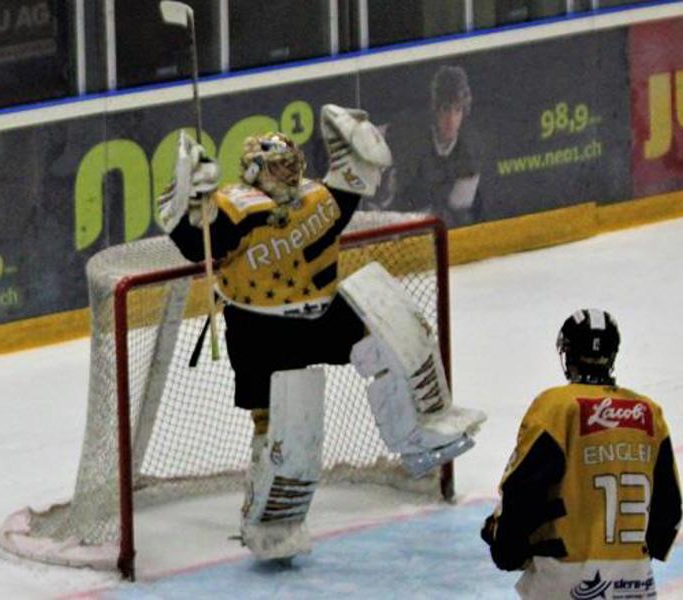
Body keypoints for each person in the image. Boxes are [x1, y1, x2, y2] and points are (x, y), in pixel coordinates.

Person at [157, 105, 485, 561]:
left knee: (389, 325)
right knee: (279, 431)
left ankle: (419, 428)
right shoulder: (231, 210)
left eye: (292, 165)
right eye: (278, 168)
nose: (288, 175)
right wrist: (189, 197)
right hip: (260, 331)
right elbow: (192, 239)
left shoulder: (315, 196)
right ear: (255, 173)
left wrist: (349, 130)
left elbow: (364, 166)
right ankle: (270, 519)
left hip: (322, 314)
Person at [482, 309, 683, 599]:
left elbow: (523, 488)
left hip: (566, 575)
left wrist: (506, 547)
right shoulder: (649, 413)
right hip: (633, 580)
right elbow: (670, 509)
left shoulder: (557, 407)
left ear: (568, 353)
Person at [376, 64, 482, 227]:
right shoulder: (409, 131)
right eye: (446, 109)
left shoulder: (469, 154)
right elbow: (369, 138)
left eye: (457, 110)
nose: (451, 120)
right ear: (436, 110)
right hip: (392, 218)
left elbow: (458, 214)